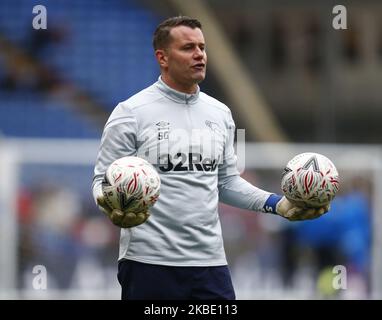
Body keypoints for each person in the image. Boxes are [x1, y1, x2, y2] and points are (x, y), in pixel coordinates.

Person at [92, 16, 329, 300]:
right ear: (162, 57)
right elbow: (100, 181)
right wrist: (110, 204)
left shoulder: (221, 114)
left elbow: (227, 182)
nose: (199, 55)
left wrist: (278, 204)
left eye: (202, 47)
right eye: (188, 47)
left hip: (210, 264)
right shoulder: (130, 112)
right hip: (149, 262)